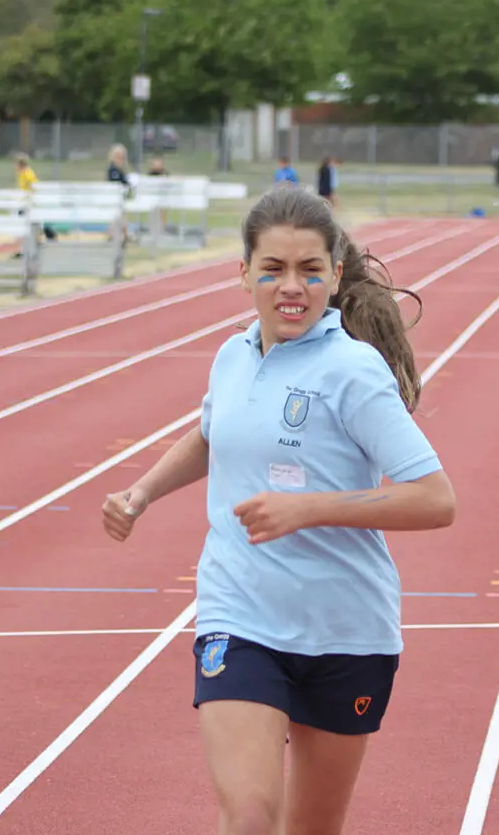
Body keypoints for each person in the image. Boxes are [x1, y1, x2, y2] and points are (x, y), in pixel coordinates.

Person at [101, 185, 457, 835]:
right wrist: (142, 490)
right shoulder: (232, 355)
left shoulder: (354, 371)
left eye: (309, 269)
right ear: (243, 274)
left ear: (336, 274)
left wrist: (309, 509)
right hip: (240, 613)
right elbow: (214, 433)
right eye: (273, 269)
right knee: (249, 814)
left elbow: (436, 499)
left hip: (346, 630)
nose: (291, 286)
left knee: (310, 827)